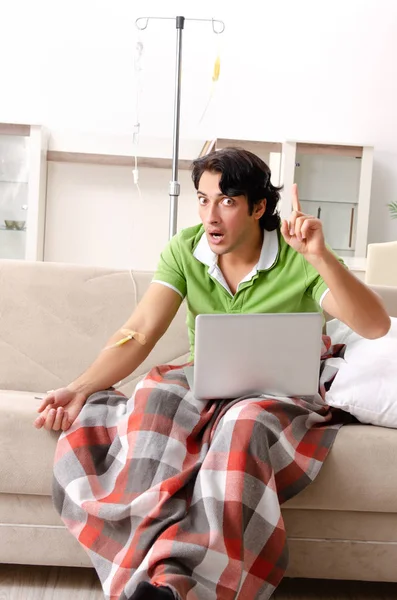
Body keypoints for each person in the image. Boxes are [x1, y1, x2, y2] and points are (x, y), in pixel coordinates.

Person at [34, 147, 390, 600]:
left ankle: (186, 590)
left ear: (259, 207)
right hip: (204, 376)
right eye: (203, 199)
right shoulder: (186, 249)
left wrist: (320, 257)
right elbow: (139, 333)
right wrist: (81, 386)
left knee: (243, 425)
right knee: (156, 398)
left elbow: (375, 326)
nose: (210, 215)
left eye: (226, 201)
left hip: (282, 388)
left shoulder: (299, 255)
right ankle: (153, 577)